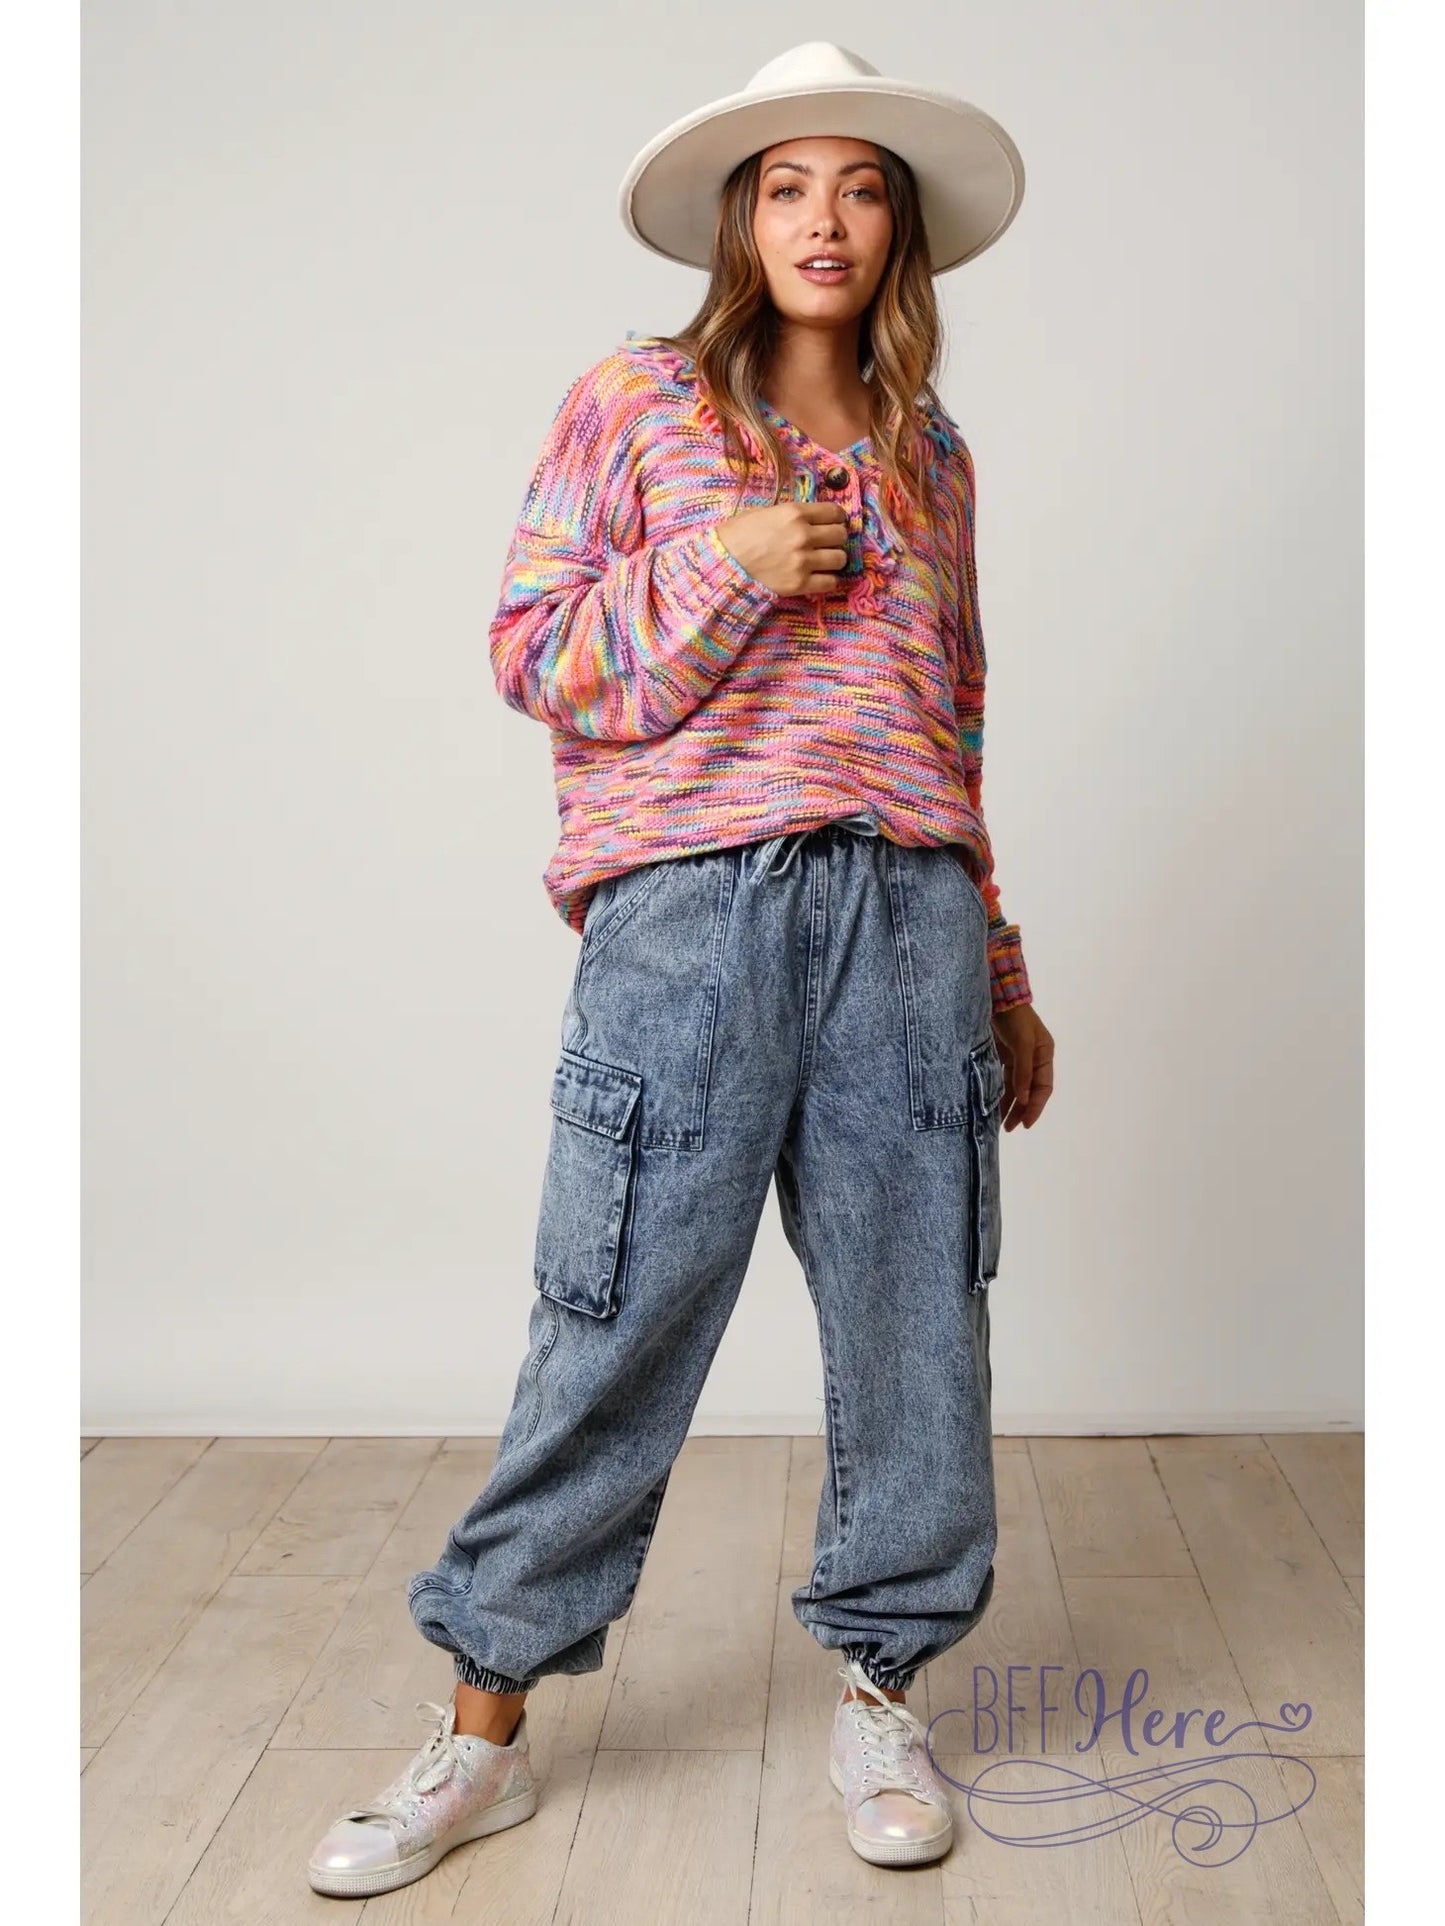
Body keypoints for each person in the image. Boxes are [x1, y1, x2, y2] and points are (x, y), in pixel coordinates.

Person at [307, 38, 1055, 1900]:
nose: (826, 219)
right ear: (740, 220)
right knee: (615, 1311)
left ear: (899, 231)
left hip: (905, 921)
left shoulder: (932, 456)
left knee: (916, 1321)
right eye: (789, 187)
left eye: (861, 188)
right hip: (688, 917)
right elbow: (535, 652)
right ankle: (480, 1732)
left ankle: (880, 1693)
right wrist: (725, 558)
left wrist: (998, 962)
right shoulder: (635, 403)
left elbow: (952, 726)